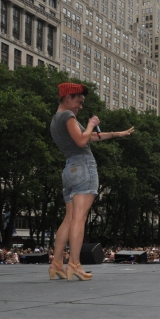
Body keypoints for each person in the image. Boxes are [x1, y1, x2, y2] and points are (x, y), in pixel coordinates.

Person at [49, 82, 134, 281]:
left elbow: (87, 138)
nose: (81, 106)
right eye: (79, 101)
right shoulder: (68, 116)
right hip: (83, 166)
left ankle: (56, 263)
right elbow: (82, 141)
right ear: (68, 97)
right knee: (79, 217)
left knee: (69, 218)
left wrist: (115, 134)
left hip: (69, 168)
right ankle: (75, 264)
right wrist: (90, 124)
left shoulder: (56, 119)